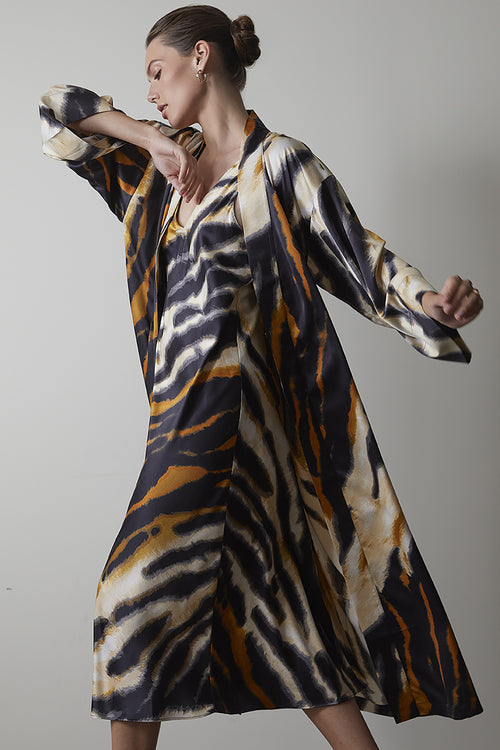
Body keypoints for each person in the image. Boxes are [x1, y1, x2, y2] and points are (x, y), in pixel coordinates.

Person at [39, 5, 484, 750]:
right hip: (182, 422)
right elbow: (56, 106)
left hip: (229, 418)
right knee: (283, 619)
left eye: (157, 72)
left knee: (129, 602)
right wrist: (149, 137)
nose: (149, 91)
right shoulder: (158, 173)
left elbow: (363, 260)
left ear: (201, 57)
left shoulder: (280, 165)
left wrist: (430, 303)